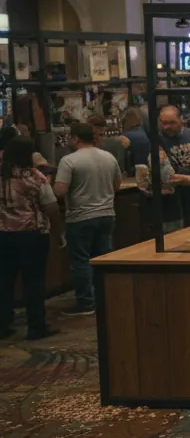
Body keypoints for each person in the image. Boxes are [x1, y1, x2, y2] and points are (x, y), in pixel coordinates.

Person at [53, 122, 121, 317]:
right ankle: (104, 297)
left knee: (81, 260)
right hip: (107, 214)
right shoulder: (108, 157)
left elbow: (60, 190)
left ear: (75, 138)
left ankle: (86, 302)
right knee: (103, 258)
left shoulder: (68, 160)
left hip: (81, 216)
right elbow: (117, 185)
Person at [0, 135, 59, 339]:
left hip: (3, 234)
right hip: (32, 234)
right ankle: (36, 326)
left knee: (4, 281)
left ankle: (3, 324)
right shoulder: (35, 177)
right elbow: (51, 206)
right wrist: (58, 230)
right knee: (33, 281)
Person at [158, 105, 190, 226]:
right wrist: (187, 179)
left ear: (181, 120)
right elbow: (163, 174)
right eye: (164, 123)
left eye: (172, 123)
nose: (167, 127)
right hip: (170, 200)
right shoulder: (157, 139)